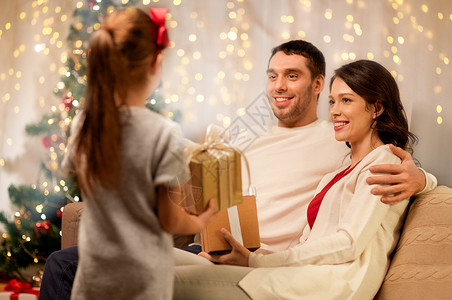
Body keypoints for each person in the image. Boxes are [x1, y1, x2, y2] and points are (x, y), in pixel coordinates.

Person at [39, 40, 435, 299]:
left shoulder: (335, 138)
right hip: (214, 247)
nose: (279, 86)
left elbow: (385, 164)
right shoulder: (247, 130)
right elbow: (194, 169)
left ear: (316, 84)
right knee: (70, 261)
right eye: (273, 76)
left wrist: (421, 178)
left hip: (268, 260)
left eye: (292, 76)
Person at [173, 59, 430, 299]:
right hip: (292, 273)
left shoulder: (384, 161)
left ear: (376, 108)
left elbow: (349, 243)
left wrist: (424, 180)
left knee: (169, 278)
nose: (335, 112)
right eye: (331, 102)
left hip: (327, 285)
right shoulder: (336, 172)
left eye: (346, 101)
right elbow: (306, 244)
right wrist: (250, 255)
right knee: (154, 259)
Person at [44, 7, 215, 300]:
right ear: (154, 63)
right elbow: (168, 219)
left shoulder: (84, 123)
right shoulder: (162, 132)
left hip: (94, 274)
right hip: (142, 279)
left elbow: (87, 184)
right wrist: (199, 221)